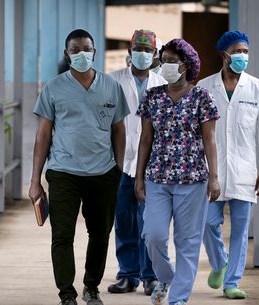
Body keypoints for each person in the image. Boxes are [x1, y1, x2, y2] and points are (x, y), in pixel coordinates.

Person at [29, 29, 129, 305]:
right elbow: (43, 136)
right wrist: (35, 180)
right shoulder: (53, 88)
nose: (81, 54)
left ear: (95, 52)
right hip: (63, 173)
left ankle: (91, 287)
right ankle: (66, 294)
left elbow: (119, 129)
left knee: (100, 234)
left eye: (86, 48)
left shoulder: (111, 86)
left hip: (103, 173)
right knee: (62, 235)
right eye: (75, 49)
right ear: (67, 54)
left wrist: (118, 168)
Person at [135, 38, 220, 305]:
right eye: (165, 60)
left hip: (193, 180)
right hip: (157, 178)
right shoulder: (153, 96)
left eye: (172, 61)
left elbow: (209, 140)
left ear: (186, 65)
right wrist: (138, 177)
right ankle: (167, 277)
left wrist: (214, 177)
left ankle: (178, 299)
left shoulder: (202, 97)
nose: (166, 65)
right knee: (153, 235)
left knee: (188, 242)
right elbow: (145, 139)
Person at [197, 30, 259, 300]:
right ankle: (220, 263)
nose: (242, 56)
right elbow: (197, 130)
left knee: (240, 228)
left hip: (246, 168)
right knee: (206, 222)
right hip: (211, 168)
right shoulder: (204, 87)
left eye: (246, 52)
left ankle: (231, 282)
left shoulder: (257, 87)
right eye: (238, 51)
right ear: (224, 55)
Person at [107, 29, 166, 296]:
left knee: (148, 222)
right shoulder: (112, 81)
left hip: (151, 163)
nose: (142, 54)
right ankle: (127, 274)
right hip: (119, 161)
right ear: (129, 52)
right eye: (137, 49)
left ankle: (149, 276)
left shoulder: (162, 84)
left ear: (155, 55)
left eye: (147, 50)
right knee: (123, 219)